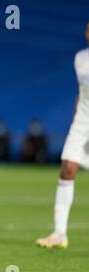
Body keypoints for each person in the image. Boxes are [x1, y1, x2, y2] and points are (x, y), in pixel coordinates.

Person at [37, 22, 89, 249]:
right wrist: (75, 119)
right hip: (82, 121)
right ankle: (59, 233)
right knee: (67, 168)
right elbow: (82, 92)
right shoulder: (80, 59)